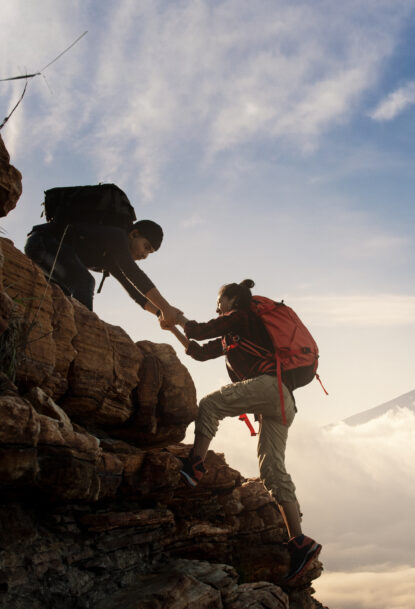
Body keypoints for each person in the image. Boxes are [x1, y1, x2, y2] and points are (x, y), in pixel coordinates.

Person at [172, 279, 321, 582]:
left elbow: (199, 330)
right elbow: (200, 351)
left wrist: (179, 318)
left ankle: (194, 466)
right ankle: (300, 543)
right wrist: (172, 330)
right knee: (272, 471)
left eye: (220, 301)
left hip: (269, 389)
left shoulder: (244, 316)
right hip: (283, 402)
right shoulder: (233, 334)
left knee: (210, 404)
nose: (217, 307)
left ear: (233, 299)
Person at [24, 219, 183, 325]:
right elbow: (133, 273)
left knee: (64, 293)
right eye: (146, 247)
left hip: (52, 255)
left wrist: (159, 312)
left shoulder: (111, 258)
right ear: (134, 234)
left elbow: (133, 291)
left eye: (150, 253)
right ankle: (85, 332)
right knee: (85, 282)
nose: (145, 255)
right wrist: (165, 307)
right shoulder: (116, 236)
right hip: (42, 243)